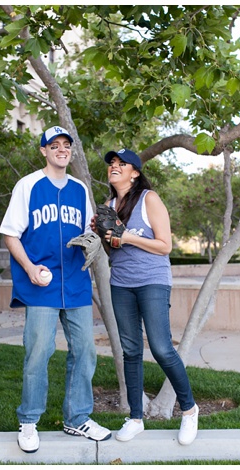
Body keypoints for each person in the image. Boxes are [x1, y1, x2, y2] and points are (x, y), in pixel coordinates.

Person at [0, 126, 111, 453]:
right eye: (54, 145)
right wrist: (30, 268)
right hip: (41, 282)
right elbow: (10, 234)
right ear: (43, 151)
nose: (61, 149)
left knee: (85, 352)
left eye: (66, 145)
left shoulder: (79, 189)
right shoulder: (28, 186)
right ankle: (29, 420)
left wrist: (95, 241)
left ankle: (77, 418)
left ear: (71, 151)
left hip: (75, 283)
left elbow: (90, 233)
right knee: (38, 352)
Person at [94, 148, 199, 445]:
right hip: (122, 283)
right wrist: (105, 236)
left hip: (152, 281)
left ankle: (189, 410)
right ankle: (136, 418)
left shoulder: (149, 199)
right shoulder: (108, 205)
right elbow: (113, 252)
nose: (114, 167)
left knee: (162, 348)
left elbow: (165, 246)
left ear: (135, 173)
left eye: (121, 164)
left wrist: (126, 236)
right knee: (130, 350)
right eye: (111, 164)